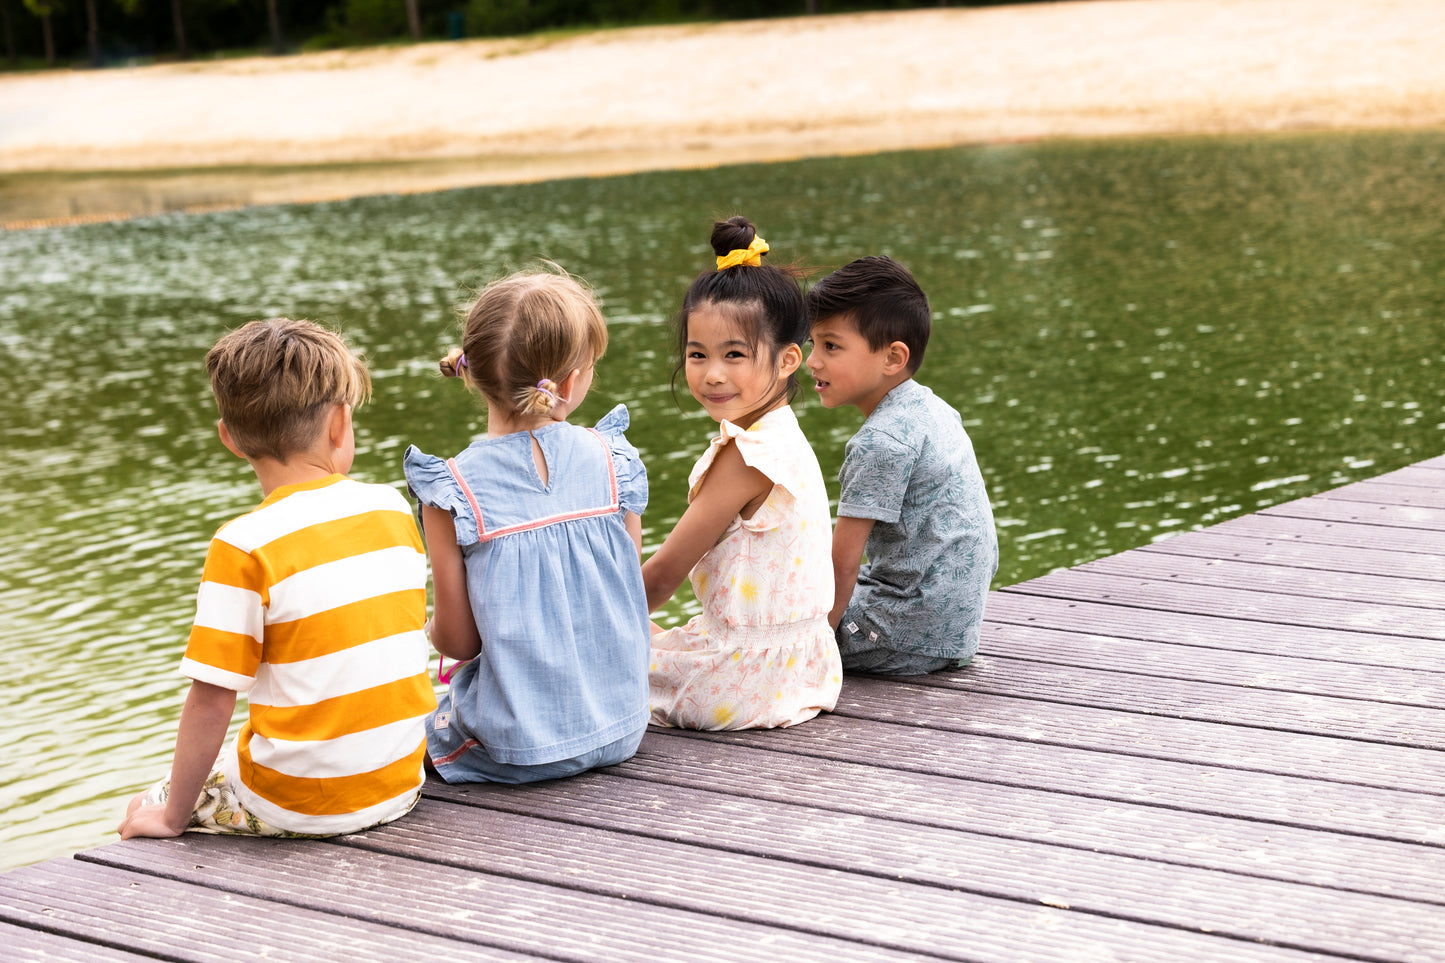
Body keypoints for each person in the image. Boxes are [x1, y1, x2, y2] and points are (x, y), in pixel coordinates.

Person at [119, 318, 435, 840]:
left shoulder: (243, 545)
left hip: (297, 805)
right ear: (340, 423)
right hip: (400, 785)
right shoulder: (392, 509)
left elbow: (212, 699)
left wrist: (172, 816)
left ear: (229, 438)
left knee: (142, 805)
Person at [403, 268, 650, 783]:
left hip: (517, 749)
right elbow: (629, 594)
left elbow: (458, 643)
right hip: (625, 728)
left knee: (407, 729)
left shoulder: (450, 491)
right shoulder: (614, 461)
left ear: (470, 372)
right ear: (569, 383)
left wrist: (427, 627)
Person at [644, 216, 841, 730]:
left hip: (739, 682)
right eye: (697, 355)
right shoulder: (784, 434)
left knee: (583, 648)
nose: (713, 374)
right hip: (806, 667)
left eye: (734, 354)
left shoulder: (747, 455)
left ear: (788, 359)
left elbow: (660, 580)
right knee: (643, 636)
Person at [805, 255, 999, 675]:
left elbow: (843, 563)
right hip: (952, 627)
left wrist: (810, 649)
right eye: (813, 344)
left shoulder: (880, 442)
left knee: (779, 608)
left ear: (892, 358)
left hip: (901, 632)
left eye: (831, 346)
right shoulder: (934, 408)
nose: (812, 361)